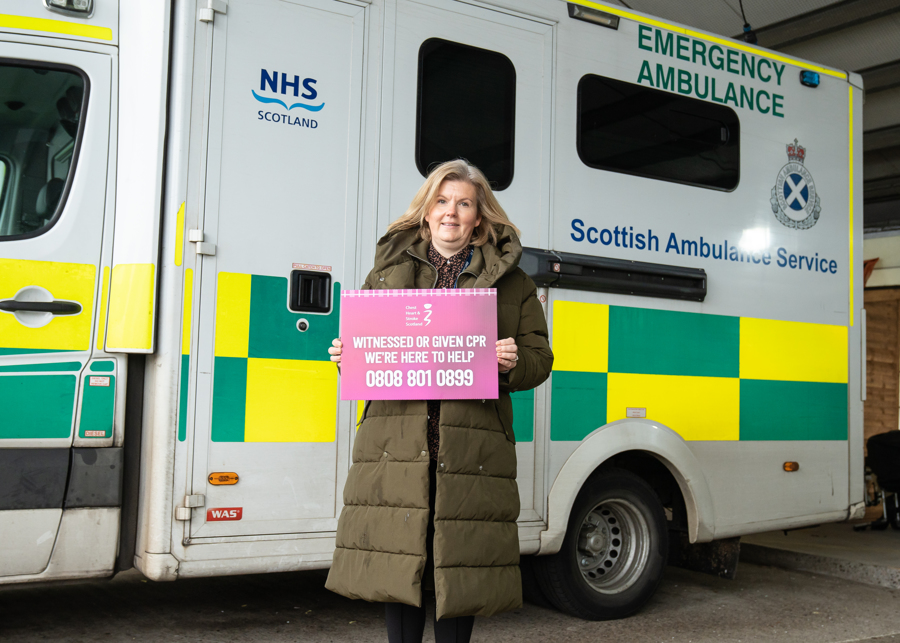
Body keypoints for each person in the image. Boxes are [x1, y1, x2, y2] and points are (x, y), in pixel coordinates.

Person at [324, 159, 553, 643]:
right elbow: (368, 356)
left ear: (479, 218)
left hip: (469, 451)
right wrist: (347, 356)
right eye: (442, 201)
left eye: (463, 203)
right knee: (399, 570)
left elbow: (541, 359)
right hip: (397, 446)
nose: (451, 212)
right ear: (426, 213)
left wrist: (513, 363)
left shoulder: (513, 284)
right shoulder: (385, 274)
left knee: (458, 570)